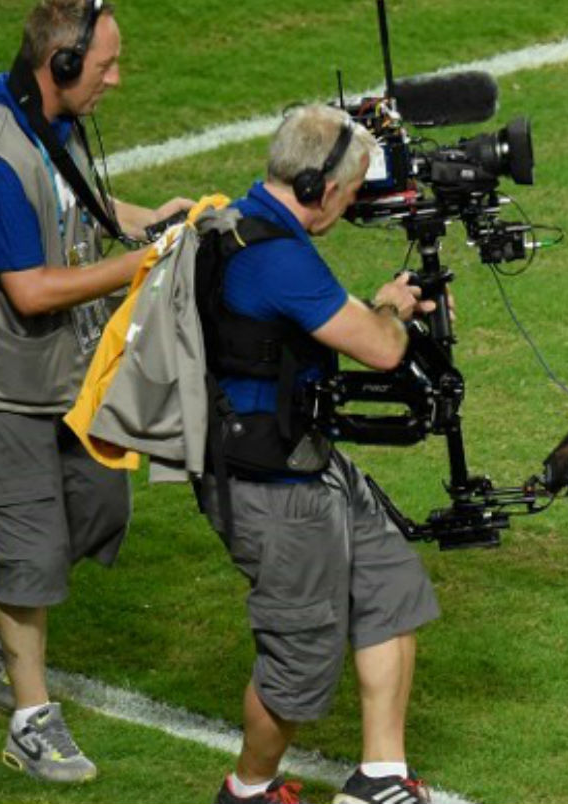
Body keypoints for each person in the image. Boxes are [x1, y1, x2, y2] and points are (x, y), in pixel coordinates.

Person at [0, 0, 192, 781]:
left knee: (98, 509)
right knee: (32, 549)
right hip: (0, 387)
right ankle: (30, 722)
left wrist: (153, 220)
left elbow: (78, 200)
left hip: (63, 374)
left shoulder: (50, 123)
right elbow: (31, 289)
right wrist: (142, 264)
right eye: (106, 65)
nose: (114, 79)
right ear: (63, 63)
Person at [197, 105, 440, 804]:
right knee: (300, 664)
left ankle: (379, 780)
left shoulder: (248, 218)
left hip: (300, 458)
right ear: (316, 186)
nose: (355, 201)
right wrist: (390, 307)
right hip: (274, 489)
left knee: (389, 583)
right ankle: (247, 791)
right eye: (351, 187)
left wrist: (371, 312)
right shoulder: (275, 257)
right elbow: (382, 348)